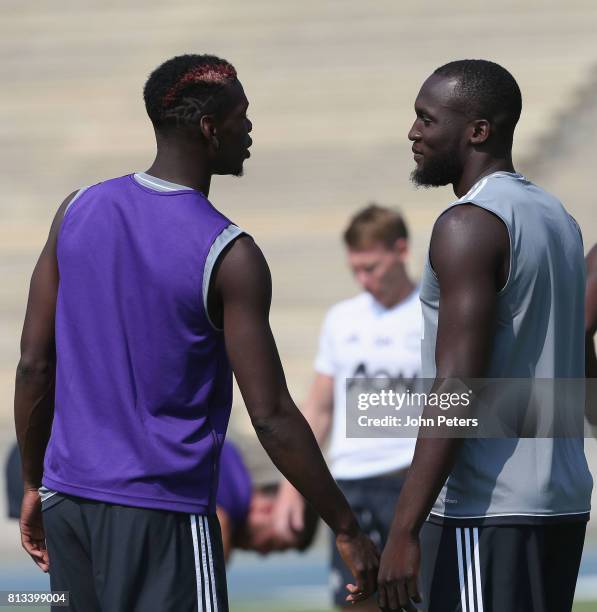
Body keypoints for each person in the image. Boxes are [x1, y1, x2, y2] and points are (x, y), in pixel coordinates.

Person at [14, 53, 378, 612]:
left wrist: (35, 482)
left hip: (69, 504)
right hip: (162, 512)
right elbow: (271, 414)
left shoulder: (77, 209)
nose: (250, 128)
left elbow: (34, 364)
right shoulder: (229, 252)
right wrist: (346, 526)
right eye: (242, 115)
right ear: (210, 129)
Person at [372, 59, 593, 612]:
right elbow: (580, 366)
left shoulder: (467, 223)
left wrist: (403, 528)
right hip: (561, 503)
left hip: (486, 508)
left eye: (427, 118)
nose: (413, 132)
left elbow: (458, 384)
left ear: (477, 131)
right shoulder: (558, 219)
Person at [274, 205, 422, 610]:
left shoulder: (433, 315)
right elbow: (319, 408)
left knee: (418, 599)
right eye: (355, 269)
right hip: (351, 485)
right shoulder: (342, 319)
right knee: (356, 602)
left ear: (401, 250)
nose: (363, 279)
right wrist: (291, 489)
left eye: (371, 267)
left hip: (410, 484)